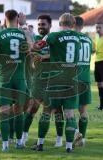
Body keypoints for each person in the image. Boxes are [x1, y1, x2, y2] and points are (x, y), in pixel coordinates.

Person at [32, 13, 82, 153]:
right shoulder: (79, 37)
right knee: (70, 114)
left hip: (55, 79)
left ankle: (40, 144)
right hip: (72, 80)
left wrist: (31, 43)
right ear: (73, 24)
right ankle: (69, 147)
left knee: (46, 112)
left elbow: (38, 46)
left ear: (59, 23)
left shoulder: (53, 36)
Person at [0, 10, 30, 152]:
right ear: (17, 18)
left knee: (3, 111)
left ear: (4, 19)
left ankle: (5, 144)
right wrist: (24, 27)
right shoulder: (23, 33)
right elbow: (32, 49)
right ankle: (19, 143)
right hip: (19, 78)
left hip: (3, 78)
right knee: (19, 112)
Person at [22, 14, 64, 148]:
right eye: (39, 24)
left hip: (53, 79)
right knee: (31, 108)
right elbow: (30, 51)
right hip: (38, 79)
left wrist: (44, 56)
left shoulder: (55, 39)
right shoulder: (36, 39)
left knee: (57, 110)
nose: (40, 27)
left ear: (50, 26)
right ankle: (24, 135)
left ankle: (59, 138)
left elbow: (61, 55)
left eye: (43, 24)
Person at [74, 16, 95, 147]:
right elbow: (93, 52)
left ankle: (76, 132)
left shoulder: (72, 38)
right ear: (82, 26)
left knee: (66, 110)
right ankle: (83, 138)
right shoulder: (88, 39)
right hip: (86, 78)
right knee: (83, 111)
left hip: (73, 78)